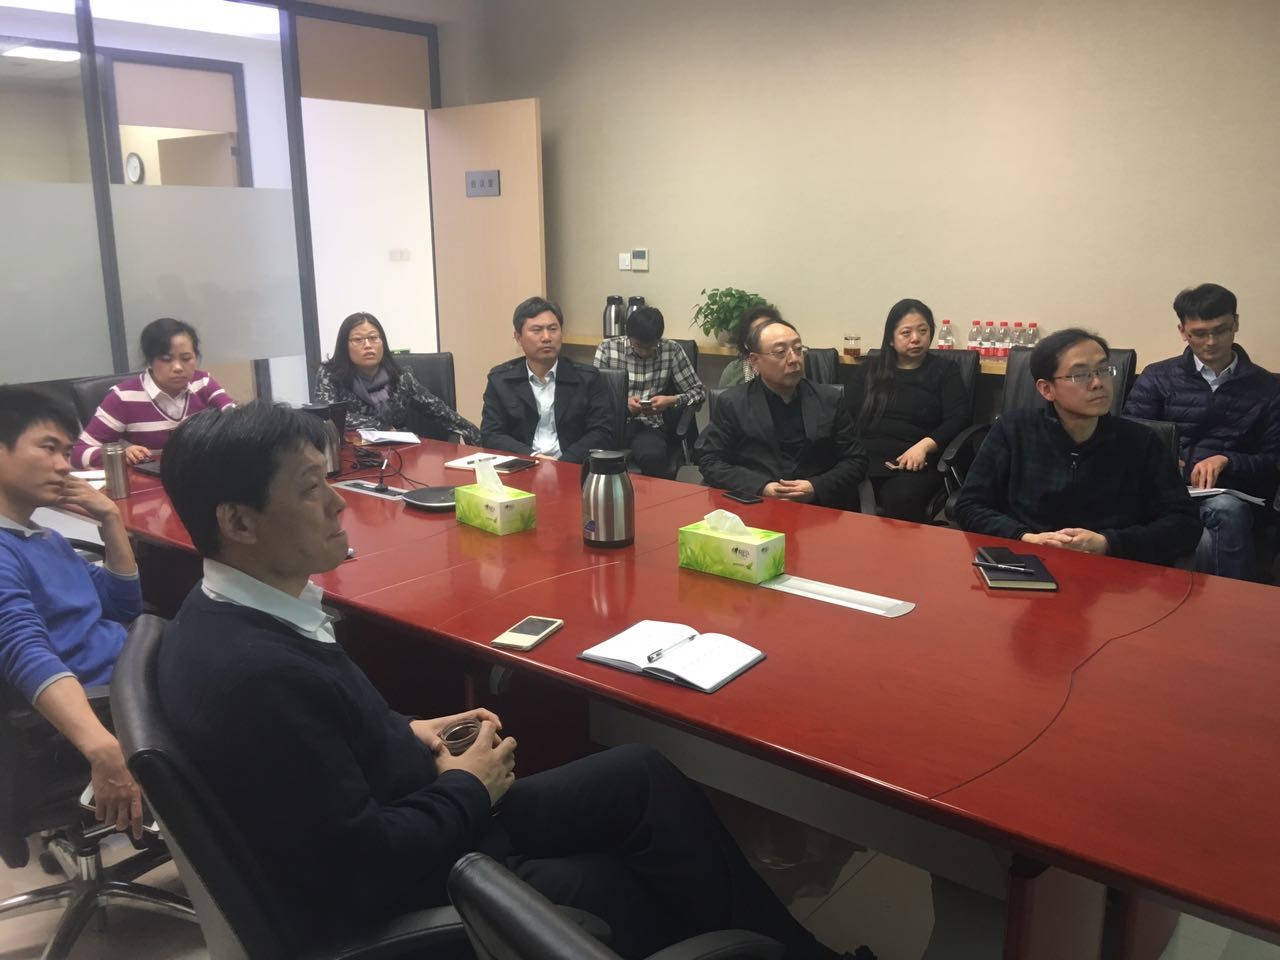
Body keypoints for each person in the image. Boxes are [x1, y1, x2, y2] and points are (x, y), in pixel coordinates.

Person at [155, 402, 871, 960]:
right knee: (630, 880)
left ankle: (795, 951)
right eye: (312, 489)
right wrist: (468, 787)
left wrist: (409, 730)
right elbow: (360, 868)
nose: (339, 503)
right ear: (239, 521)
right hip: (430, 876)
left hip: (424, 807)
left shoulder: (234, 613)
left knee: (641, 775)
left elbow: (323, 746)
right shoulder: (257, 679)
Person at [0, 387, 144, 838]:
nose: (64, 465)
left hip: (129, 668)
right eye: (48, 448)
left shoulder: (40, 536)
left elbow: (121, 606)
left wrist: (111, 521)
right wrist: (102, 748)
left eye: (66, 451)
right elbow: (23, 651)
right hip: (107, 697)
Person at [953, 328, 1201, 565]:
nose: (1098, 382)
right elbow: (970, 505)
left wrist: (1108, 543)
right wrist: (1025, 537)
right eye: (1080, 374)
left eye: (1103, 369)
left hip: (1112, 571)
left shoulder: (1141, 441)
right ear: (1047, 389)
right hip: (1027, 561)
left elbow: (1185, 523)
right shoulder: (1013, 430)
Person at [1123, 283, 1280, 581]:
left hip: (1231, 492)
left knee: (1224, 511)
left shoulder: (1268, 388)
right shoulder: (1158, 377)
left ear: (1235, 324)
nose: (1211, 342)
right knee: (1206, 536)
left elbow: (1273, 460)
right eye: (1199, 333)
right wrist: (1165, 460)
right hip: (1166, 489)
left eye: (1220, 330)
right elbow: (1129, 437)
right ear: (1183, 331)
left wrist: (1228, 460)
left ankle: (1224, 603)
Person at [695, 317, 868, 508]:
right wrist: (762, 487)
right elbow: (711, 461)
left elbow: (856, 460)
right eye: (780, 352)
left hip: (819, 508)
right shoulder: (733, 403)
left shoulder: (829, 399)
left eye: (798, 350)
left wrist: (815, 486)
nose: (794, 359)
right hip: (756, 506)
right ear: (755, 361)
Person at [847, 299, 967, 523]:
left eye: (923, 330)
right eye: (906, 332)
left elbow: (958, 418)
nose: (916, 338)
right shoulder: (870, 370)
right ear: (891, 339)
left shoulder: (945, 370)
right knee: (833, 487)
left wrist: (924, 446)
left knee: (901, 498)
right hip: (865, 457)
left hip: (916, 461)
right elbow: (846, 415)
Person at [72, 317, 234, 468]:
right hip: (149, 483)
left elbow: (236, 421)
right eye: (166, 359)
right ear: (150, 360)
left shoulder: (203, 383)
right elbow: (78, 453)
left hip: (198, 475)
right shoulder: (124, 397)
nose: (178, 367)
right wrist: (120, 455)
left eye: (186, 358)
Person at [314, 311, 481, 443]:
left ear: (383, 342)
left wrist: (470, 430)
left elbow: (437, 409)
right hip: (350, 454)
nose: (368, 345)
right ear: (344, 346)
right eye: (358, 339)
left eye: (373, 338)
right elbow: (328, 416)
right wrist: (381, 426)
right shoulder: (331, 375)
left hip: (397, 453)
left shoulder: (400, 377)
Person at [481, 296, 612, 462]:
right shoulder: (500, 380)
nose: (546, 337)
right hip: (523, 466)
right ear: (518, 337)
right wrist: (533, 457)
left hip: (573, 466)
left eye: (553, 329)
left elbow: (602, 433)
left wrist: (562, 464)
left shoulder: (588, 378)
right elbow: (491, 434)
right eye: (537, 330)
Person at [593, 307, 706, 477]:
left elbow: (698, 392)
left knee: (653, 457)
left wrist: (671, 400)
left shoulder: (671, 350)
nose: (645, 352)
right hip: (613, 423)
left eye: (651, 346)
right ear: (628, 334)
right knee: (590, 452)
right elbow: (593, 394)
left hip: (650, 425)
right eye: (638, 345)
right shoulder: (608, 349)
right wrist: (623, 404)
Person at [718, 305, 783, 387]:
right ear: (746, 342)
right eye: (758, 332)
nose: (766, 336)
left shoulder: (789, 364)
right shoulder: (734, 369)